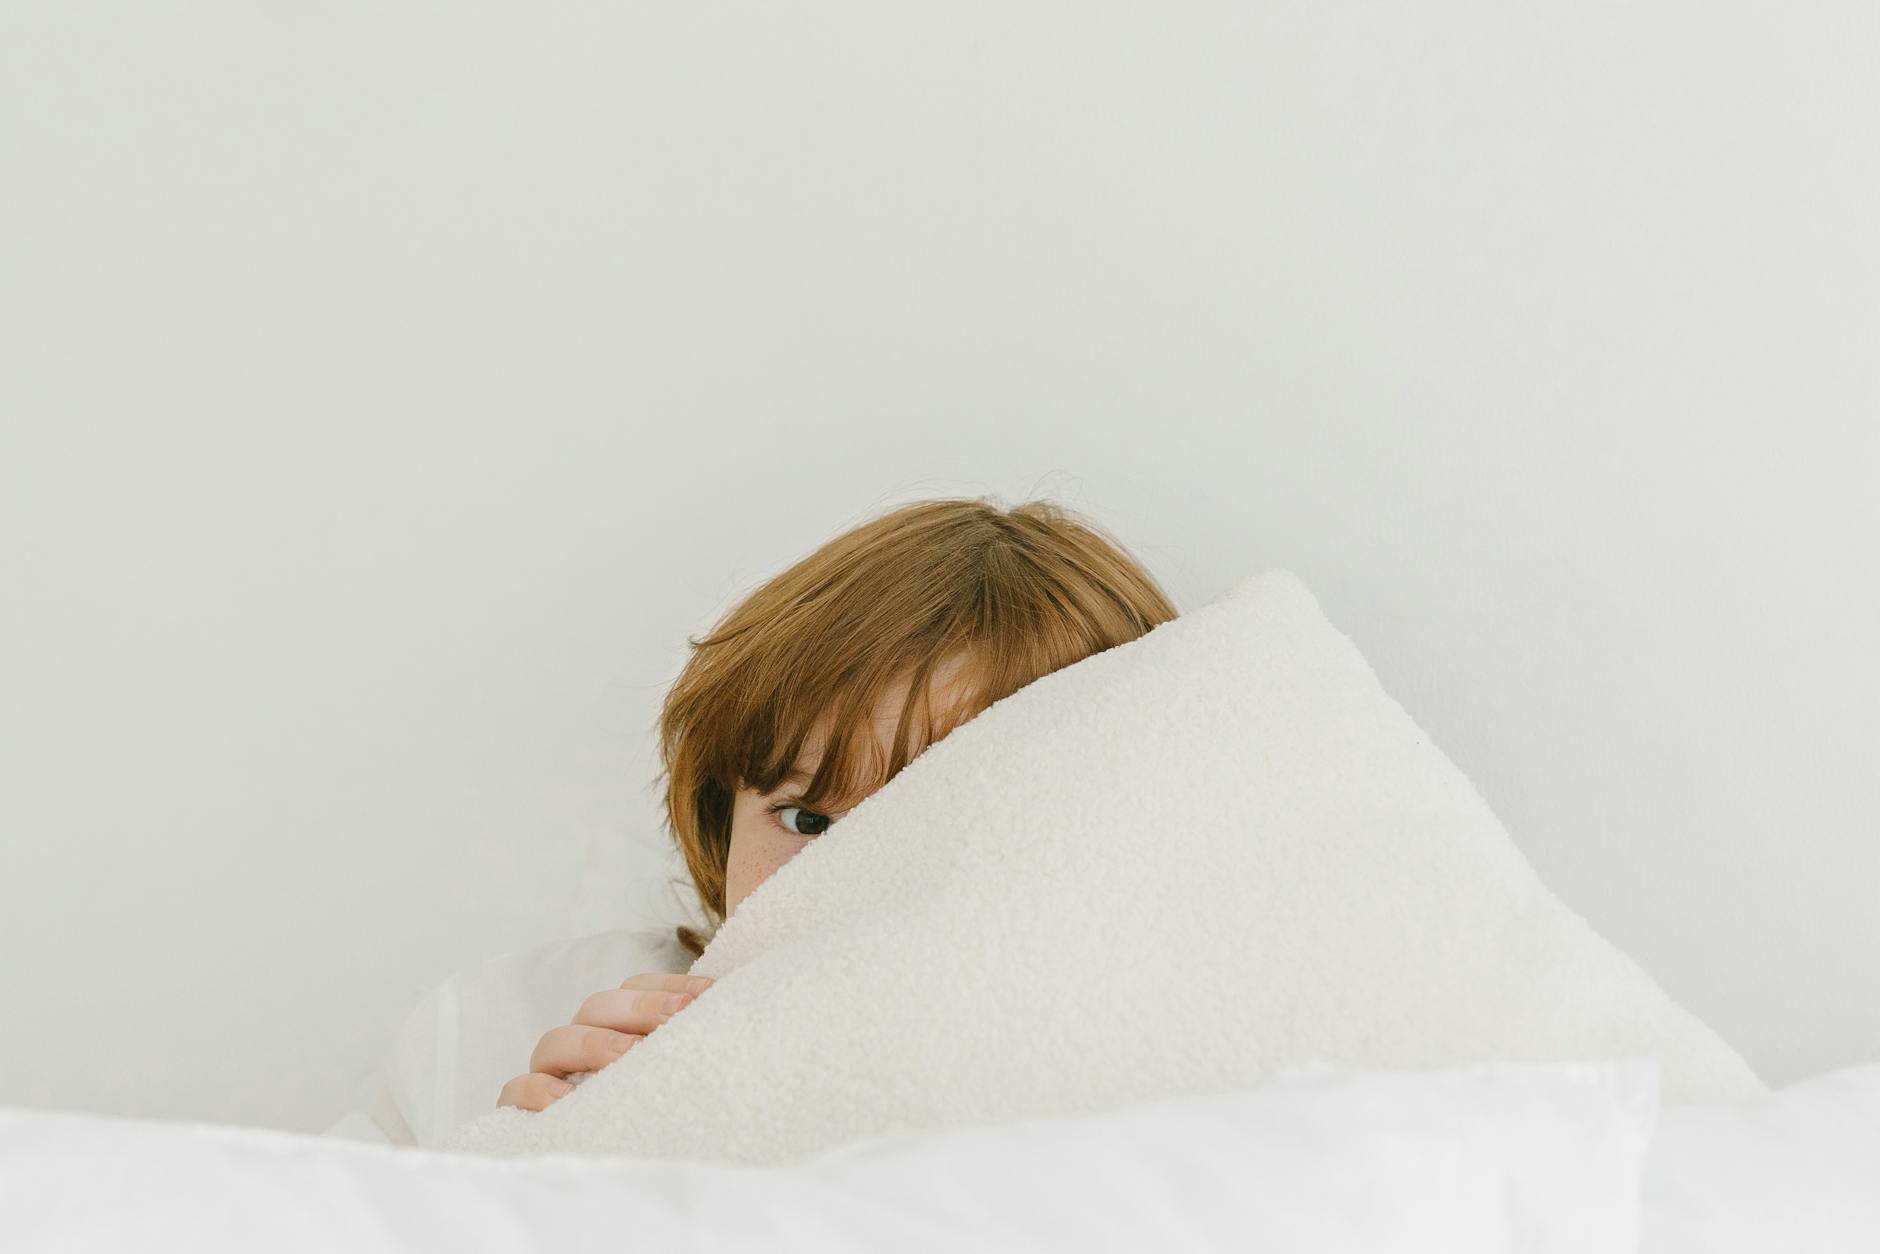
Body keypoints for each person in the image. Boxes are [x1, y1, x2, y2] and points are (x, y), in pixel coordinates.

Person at [323, 495, 1177, 1146]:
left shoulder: (1143, 1075)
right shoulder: (497, 1029)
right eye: (807, 820)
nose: (847, 884)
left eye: (934, 823)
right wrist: (507, 1182)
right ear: (719, 818)